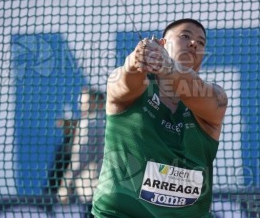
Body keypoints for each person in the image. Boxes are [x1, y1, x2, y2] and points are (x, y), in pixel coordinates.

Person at [92, 18, 228, 217]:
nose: (194, 44)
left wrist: (169, 67)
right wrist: (135, 60)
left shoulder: (213, 96)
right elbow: (125, 80)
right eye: (185, 36)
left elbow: (199, 92)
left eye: (201, 42)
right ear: (163, 44)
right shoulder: (133, 87)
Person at [57, 86, 106, 218]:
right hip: (117, 191)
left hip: (95, 192)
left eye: (86, 103)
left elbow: (80, 158)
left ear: (99, 102)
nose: (82, 107)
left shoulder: (89, 123)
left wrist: (65, 186)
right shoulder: (115, 121)